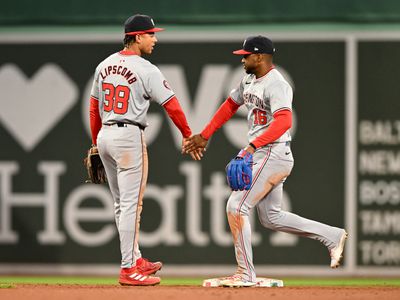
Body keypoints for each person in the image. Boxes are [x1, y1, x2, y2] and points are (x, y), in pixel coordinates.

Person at [182, 35, 348, 287]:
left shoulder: (277, 84)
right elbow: (229, 105)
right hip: (264, 152)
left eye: (246, 56)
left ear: (259, 56)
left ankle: (245, 273)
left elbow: (284, 122)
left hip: (273, 151)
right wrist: (205, 135)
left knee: (235, 206)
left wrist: (251, 146)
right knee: (271, 217)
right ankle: (332, 236)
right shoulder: (248, 79)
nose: (243, 59)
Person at [89, 14, 200, 286]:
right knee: (131, 205)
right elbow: (171, 105)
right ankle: (128, 268)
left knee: (120, 204)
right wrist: (188, 135)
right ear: (137, 37)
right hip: (128, 136)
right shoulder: (146, 68)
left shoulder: (104, 64)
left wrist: (95, 142)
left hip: (106, 135)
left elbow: (94, 108)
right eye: (151, 34)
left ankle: (135, 258)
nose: (155, 39)